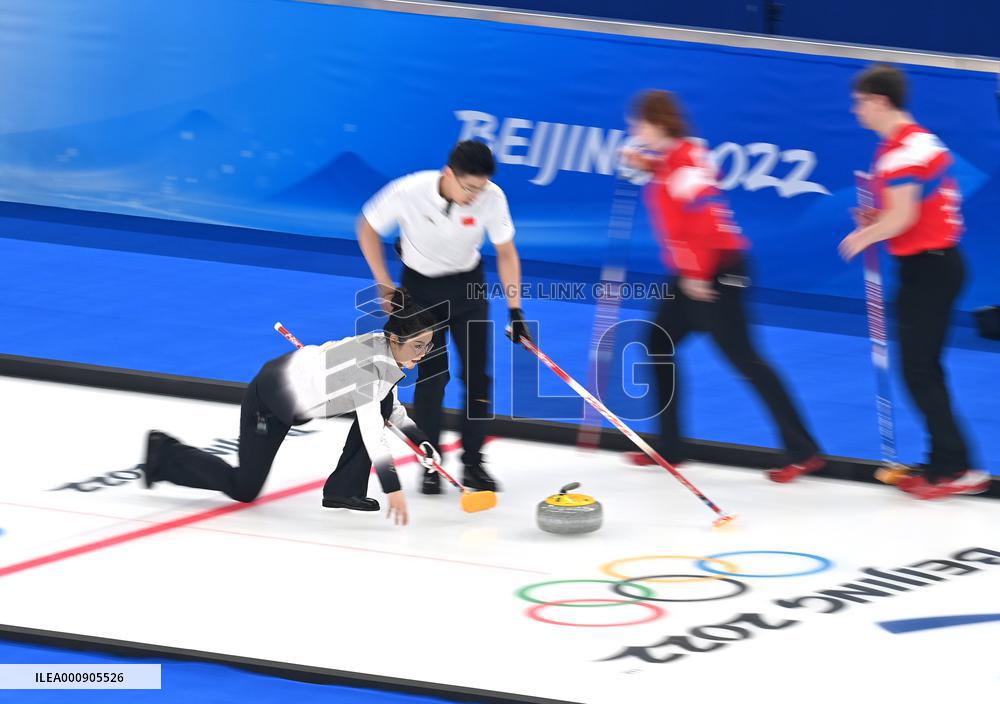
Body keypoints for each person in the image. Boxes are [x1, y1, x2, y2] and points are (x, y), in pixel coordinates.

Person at [622, 90, 824, 482]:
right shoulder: (681, 157)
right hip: (691, 273)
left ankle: (804, 451)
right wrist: (647, 164)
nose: (634, 131)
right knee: (657, 342)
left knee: (745, 359)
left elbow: (707, 221)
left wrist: (698, 274)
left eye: (637, 124)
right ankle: (670, 447)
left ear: (656, 124)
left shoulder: (685, 169)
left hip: (716, 273)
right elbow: (676, 179)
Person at [141, 290, 441, 525]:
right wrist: (393, 487)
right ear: (394, 338)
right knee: (244, 487)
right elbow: (373, 431)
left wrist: (422, 442)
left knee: (382, 405)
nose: (423, 353)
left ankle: (343, 490)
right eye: (418, 345)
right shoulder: (368, 367)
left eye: (427, 346)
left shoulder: (383, 351)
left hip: (297, 386)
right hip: (269, 400)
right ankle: (164, 453)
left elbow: (390, 406)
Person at [839, 64, 988, 499]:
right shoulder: (918, 142)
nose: (856, 110)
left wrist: (863, 235)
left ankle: (955, 467)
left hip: (930, 268)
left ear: (879, 100)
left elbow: (903, 217)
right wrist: (878, 219)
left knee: (919, 370)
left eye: (860, 102)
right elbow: (914, 208)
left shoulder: (901, 152)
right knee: (924, 369)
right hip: (934, 264)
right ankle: (946, 459)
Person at [356, 140, 531, 495]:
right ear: (448, 174)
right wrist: (384, 283)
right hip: (420, 293)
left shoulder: (492, 197)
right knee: (432, 378)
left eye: (480, 188)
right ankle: (430, 462)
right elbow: (367, 227)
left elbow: (506, 252)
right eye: (468, 188)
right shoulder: (409, 191)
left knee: (478, 378)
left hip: (469, 290)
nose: (474, 196)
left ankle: (474, 463)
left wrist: (515, 310)